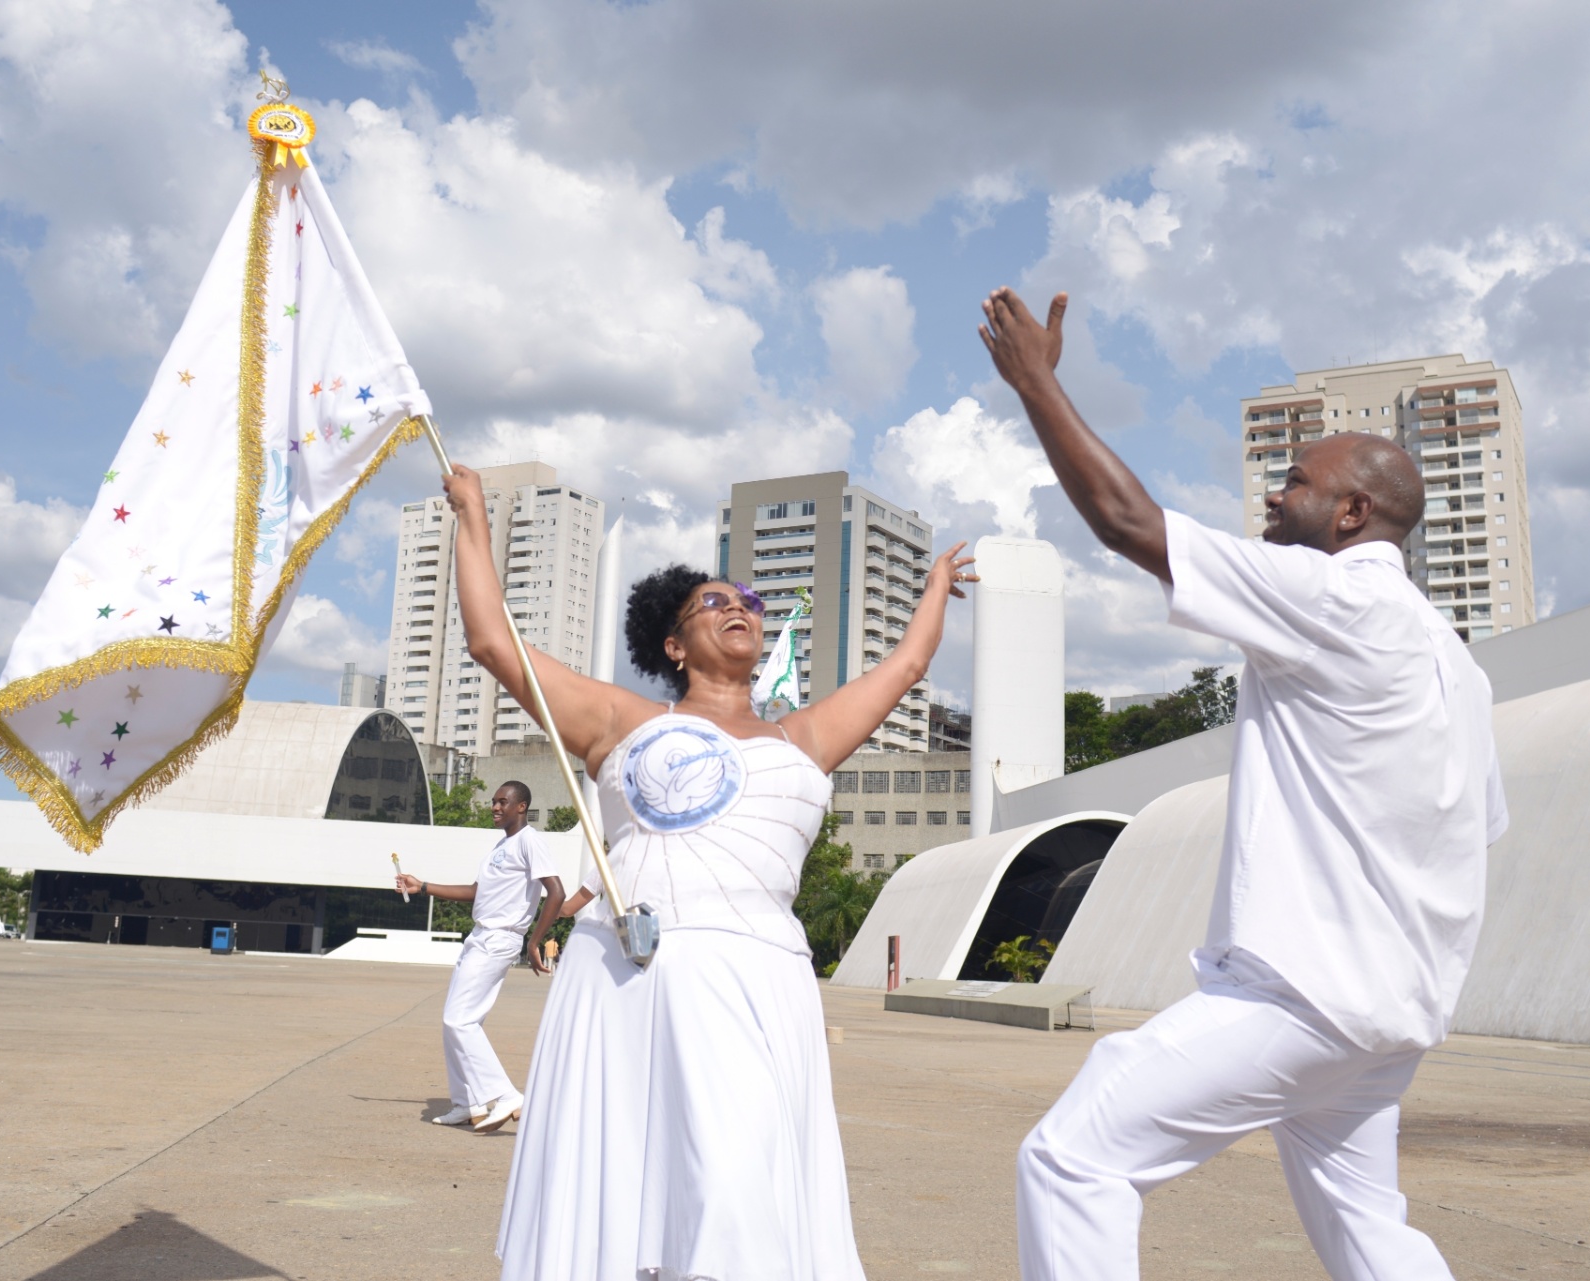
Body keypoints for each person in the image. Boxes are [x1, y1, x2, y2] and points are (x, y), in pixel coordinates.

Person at [978, 287, 1506, 1281]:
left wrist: (1037, 383)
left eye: (1296, 482)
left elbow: (1130, 522)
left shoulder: (1336, 594)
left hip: (1302, 996)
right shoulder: (1453, 662)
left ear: (1353, 514)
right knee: (1367, 1229)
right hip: (1388, 1018)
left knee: (1073, 1160)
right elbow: (1477, 828)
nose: (1274, 493)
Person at [433, 463, 976, 1281]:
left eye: (749, 603)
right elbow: (490, 641)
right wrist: (474, 516)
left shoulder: (803, 737)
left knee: (735, 1182)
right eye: (713, 603)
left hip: (761, 972)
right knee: (635, 1195)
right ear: (675, 644)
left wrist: (934, 586)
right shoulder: (621, 719)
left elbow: (903, 666)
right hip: (634, 973)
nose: (739, 610)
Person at [396, 781, 565, 1133]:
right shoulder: (500, 847)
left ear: (522, 807)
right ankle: (467, 1103)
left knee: (460, 1021)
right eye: (494, 802)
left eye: (504, 802)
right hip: (479, 937)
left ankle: (505, 1094)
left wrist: (535, 941)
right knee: (453, 1022)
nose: (495, 807)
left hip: (500, 938)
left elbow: (557, 892)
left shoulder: (530, 841)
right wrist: (422, 886)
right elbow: (475, 892)